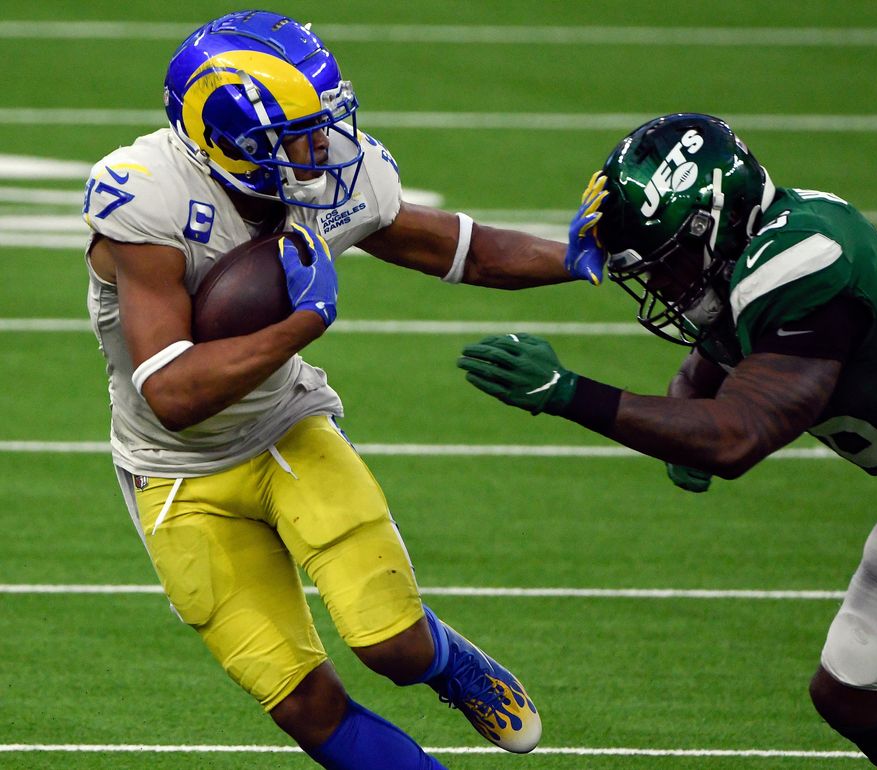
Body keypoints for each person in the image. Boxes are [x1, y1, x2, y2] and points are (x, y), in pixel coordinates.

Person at [81, 11, 603, 769]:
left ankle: (446, 662)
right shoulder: (147, 203)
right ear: (227, 142)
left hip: (287, 429)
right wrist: (303, 322)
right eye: (297, 134)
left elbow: (460, 248)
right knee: (304, 703)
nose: (321, 145)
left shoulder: (327, 167)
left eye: (322, 124)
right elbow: (173, 391)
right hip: (172, 471)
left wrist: (581, 255)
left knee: (390, 644)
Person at [458, 113, 877, 769]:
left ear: (713, 225)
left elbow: (737, 438)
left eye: (668, 264)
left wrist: (568, 392)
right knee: (858, 691)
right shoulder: (757, 251)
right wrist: (682, 425)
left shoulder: (804, 261)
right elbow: (707, 368)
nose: (660, 286)